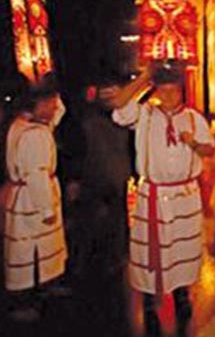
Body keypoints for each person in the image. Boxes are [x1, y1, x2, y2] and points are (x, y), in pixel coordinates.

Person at [111, 63, 214, 335]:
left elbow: (209, 150)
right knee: (149, 252)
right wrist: (144, 77)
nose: (169, 96)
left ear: (182, 91)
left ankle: (182, 294)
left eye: (174, 91)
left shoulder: (194, 118)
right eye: (163, 91)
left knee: (183, 249)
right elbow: (118, 104)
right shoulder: (144, 114)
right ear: (155, 91)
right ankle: (149, 303)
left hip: (185, 197)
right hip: (153, 195)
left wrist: (193, 143)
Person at [3, 79, 68, 322]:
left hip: (27, 197)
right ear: (39, 104)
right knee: (27, 250)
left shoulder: (24, 124)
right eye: (49, 103)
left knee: (43, 247)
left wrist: (53, 86)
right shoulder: (33, 135)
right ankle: (22, 302)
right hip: (32, 200)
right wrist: (46, 208)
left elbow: (57, 115)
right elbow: (36, 175)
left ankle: (47, 284)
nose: (54, 108)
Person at [79, 76, 133, 274]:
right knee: (111, 218)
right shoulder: (117, 118)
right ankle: (111, 257)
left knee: (107, 217)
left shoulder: (94, 118)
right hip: (108, 173)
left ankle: (103, 258)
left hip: (103, 173)